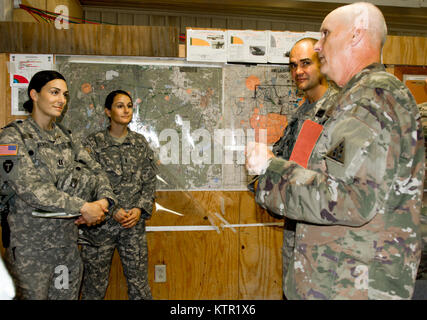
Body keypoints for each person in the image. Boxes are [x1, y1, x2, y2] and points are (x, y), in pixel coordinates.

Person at [246, 2, 424, 299]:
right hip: (332, 279)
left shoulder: (373, 97)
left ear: (356, 36)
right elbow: (312, 171)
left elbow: (348, 198)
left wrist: (270, 168)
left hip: (353, 286)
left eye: (325, 34)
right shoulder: (342, 102)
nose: (318, 45)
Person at [0, 70, 116, 299]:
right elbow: (32, 189)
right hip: (30, 252)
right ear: (34, 94)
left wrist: (104, 202)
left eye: (64, 94)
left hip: (66, 249)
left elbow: (97, 171)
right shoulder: (12, 138)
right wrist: (84, 207)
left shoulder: (67, 138)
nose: (61, 99)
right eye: (54, 92)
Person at [271, 37, 338, 298]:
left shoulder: (339, 110)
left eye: (306, 63)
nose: (298, 71)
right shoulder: (302, 113)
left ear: (322, 64)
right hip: (296, 229)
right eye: (293, 65)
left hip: (323, 237)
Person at [79, 90, 157, 300]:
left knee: (139, 286)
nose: (126, 110)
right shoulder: (93, 143)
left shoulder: (139, 143)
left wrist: (140, 209)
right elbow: (87, 181)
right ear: (108, 111)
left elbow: (150, 180)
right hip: (100, 225)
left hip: (132, 226)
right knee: (93, 288)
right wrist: (112, 209)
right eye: (120, 105)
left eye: (129, 105)